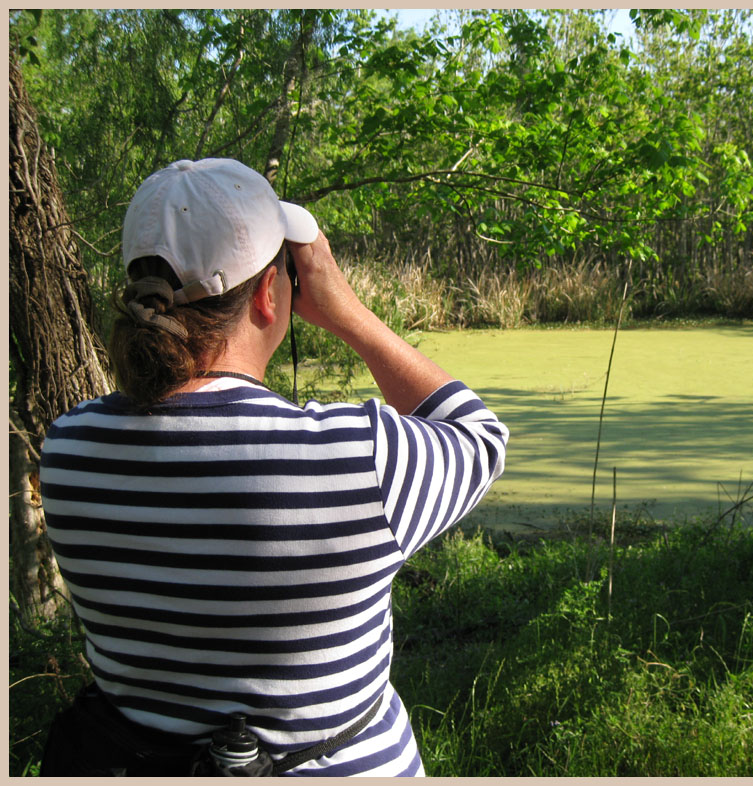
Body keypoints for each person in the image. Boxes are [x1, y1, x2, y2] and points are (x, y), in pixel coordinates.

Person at [37, 158, 508, 776]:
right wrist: (348, 313)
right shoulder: (356, 459)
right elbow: (480, 436)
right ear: (268, 293)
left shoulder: (70, 450)